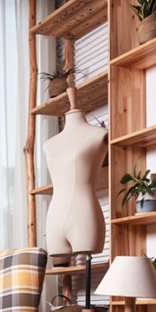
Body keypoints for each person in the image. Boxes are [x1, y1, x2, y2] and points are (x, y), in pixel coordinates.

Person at [44, 87, 108, 266]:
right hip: (54, 217)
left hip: (84, 215)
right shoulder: (49, 144)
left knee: (88, 267)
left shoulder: (99, 134)